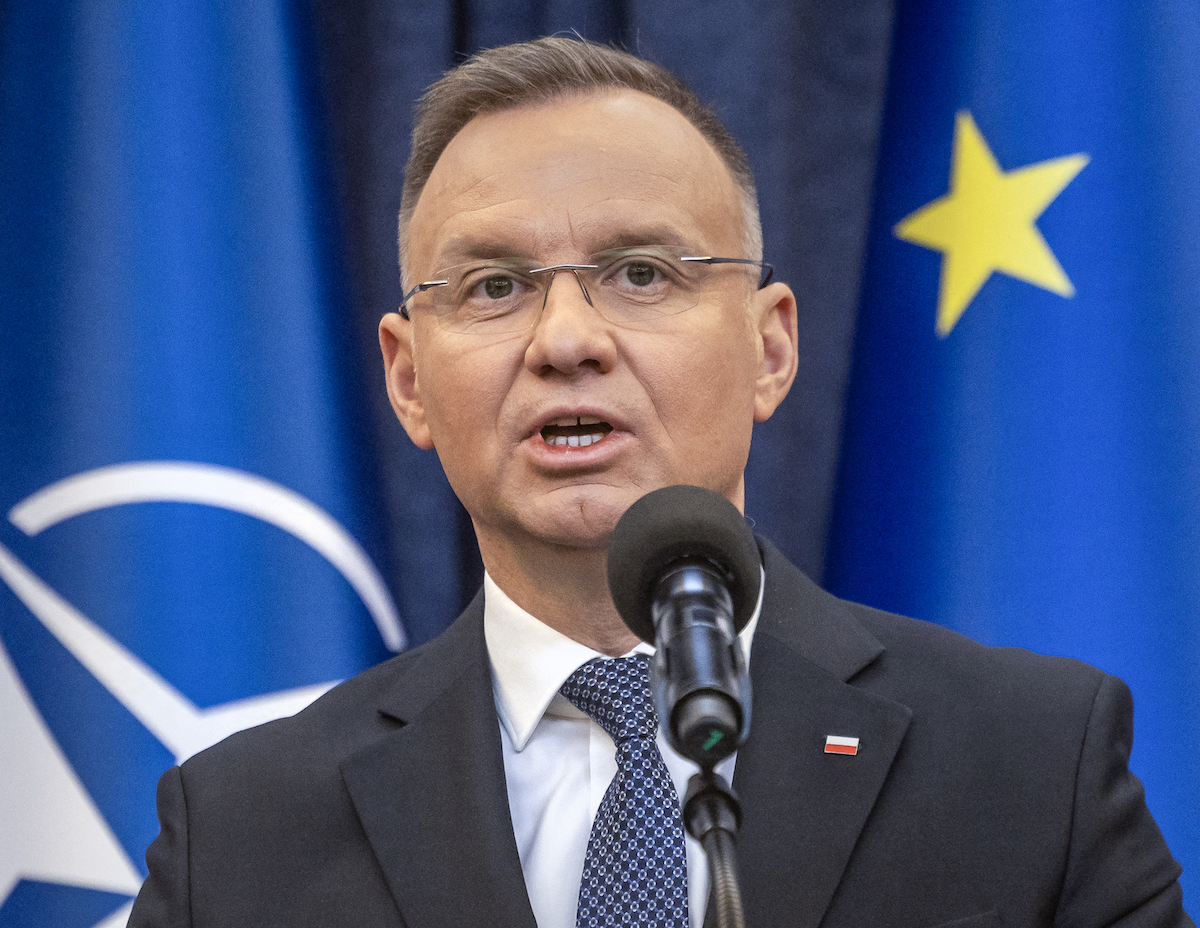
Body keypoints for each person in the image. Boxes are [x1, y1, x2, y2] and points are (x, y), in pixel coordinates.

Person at [128, 36, 1192, 928]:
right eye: (494, 287)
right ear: (408, 379)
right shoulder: (242, 834)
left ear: (771, 348)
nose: (566, 340)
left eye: (641, 273)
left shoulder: (1029, 761)